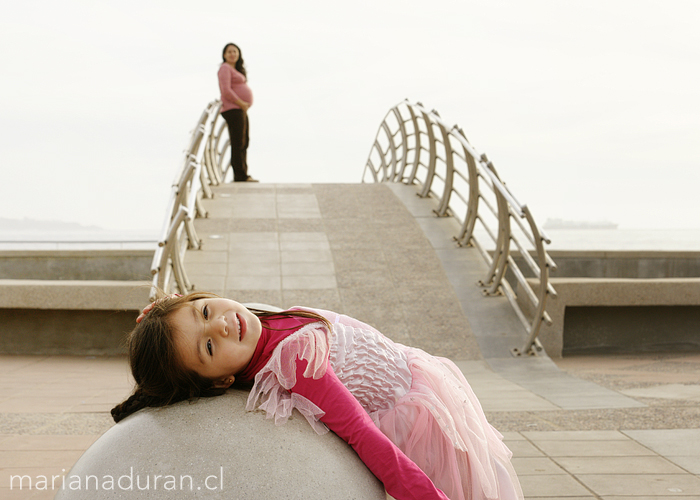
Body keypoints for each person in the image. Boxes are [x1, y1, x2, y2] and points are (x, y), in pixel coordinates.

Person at [112, 292, 523, 500]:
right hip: (417, 421)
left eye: (203, 310)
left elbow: (218, 319)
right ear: (221, 382)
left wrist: (163, 310)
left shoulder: (250, 323)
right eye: (207, 348)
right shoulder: (297, 364)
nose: (221, 325)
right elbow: (365, 438)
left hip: (422, 379)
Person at [218, 43, 257, 182]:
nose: (232, 54)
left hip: (240, 110)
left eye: (235, 51)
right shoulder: (225, 68)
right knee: (237, 142)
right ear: (224, 55)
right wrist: (241, 103)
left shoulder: (236, 70)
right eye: (229, 52)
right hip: (233, 109)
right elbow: (226, 90)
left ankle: (243, 173)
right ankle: (240, 175)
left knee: (244, 141)